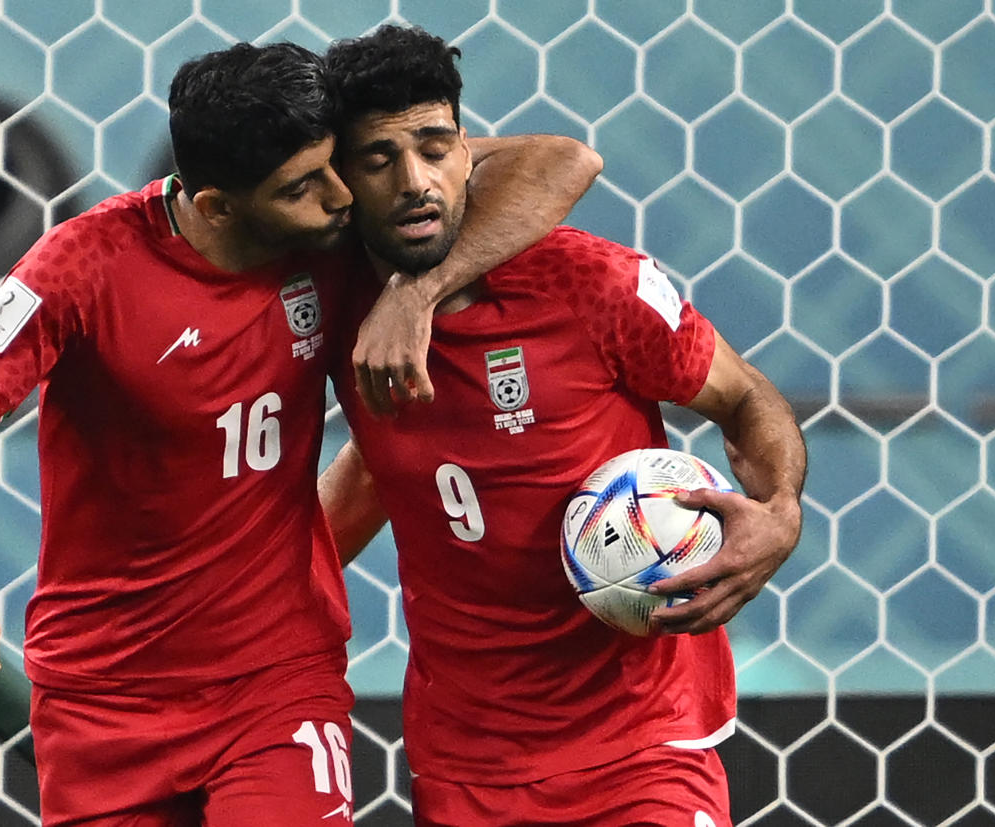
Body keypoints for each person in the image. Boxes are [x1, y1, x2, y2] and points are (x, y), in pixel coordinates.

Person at [0, 40, 600, 826]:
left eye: (333, 166)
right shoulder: (80, 271)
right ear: (217, 205)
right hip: (101, 697)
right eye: (302, 187)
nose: (341, 196)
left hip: (277, 681)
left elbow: (558, 162)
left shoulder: (331, 228)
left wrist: (418, 291)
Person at [318, 25, 807, 827]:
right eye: (378, 159)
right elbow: (382, 465)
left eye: (437, 148)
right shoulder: (330, 303)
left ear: (469, 149)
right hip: (466, 760)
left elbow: (745, 397)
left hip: (643, 743)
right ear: (341, 176)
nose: (416, 181)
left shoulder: (590, 284)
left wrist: (780, 512)